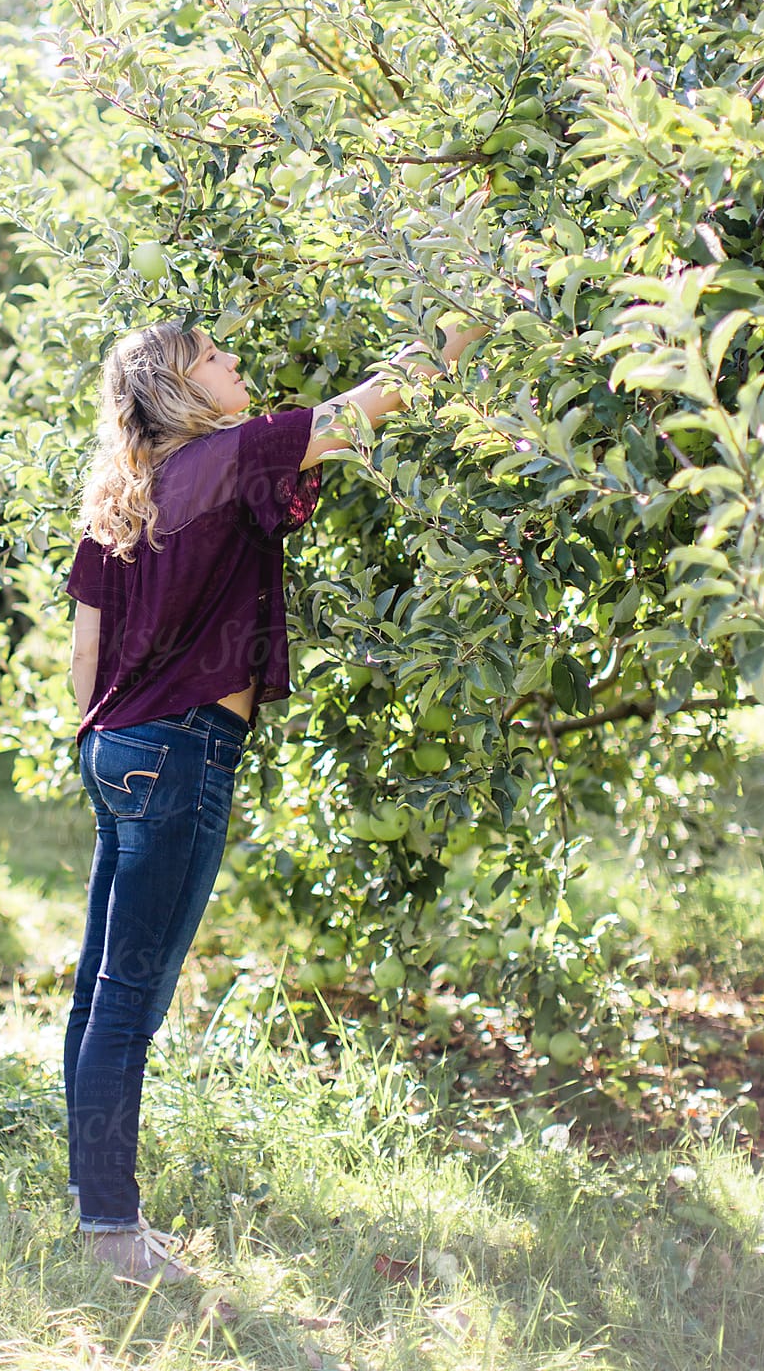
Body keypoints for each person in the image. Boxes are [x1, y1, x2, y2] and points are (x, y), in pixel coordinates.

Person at [62, 314, 487, 1289]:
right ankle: (113, 1235)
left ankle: (100, 1212)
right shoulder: (236, 454)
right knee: (129, 1000)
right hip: (182, 750)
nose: (236, 363)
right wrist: (467, 323)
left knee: (99, 992)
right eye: (215, 357)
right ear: (180, 388)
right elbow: (374, 402)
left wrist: (105, 748)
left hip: (117, 747)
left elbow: (86, 656)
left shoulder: (121, 495)